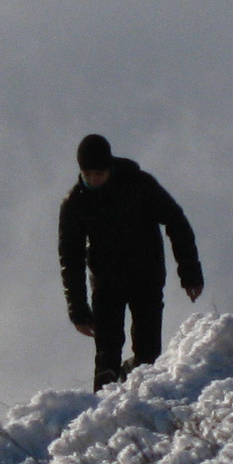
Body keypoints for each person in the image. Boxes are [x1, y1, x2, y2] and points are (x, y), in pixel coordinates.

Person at [59, 134, 202, 389]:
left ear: (110, 167)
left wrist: (190, 273)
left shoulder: (139, 184)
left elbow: (176, 221)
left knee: (148, 358)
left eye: (99, 173)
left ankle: (141, 403)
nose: (94, 179)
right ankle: (102, 416)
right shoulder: (75, 204)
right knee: (106, 360)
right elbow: (71, 258)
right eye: (88, 174)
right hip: (106, 286)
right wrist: (78, 309)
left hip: (146, 279)